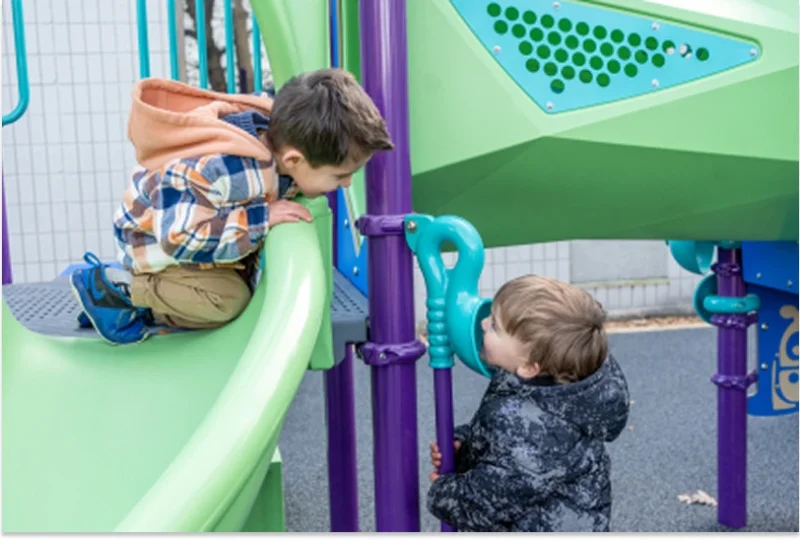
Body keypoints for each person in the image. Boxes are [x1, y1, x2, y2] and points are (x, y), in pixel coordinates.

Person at [71, 69, 393, 345]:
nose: (348, 183)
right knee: (227, 302)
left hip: (197, 234)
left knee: (240, 290)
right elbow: (179, 237)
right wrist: (260, 220)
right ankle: (117, 290)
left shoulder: (281, 142)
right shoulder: (226, 166)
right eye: (341, 175)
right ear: (294, 159)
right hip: (158, 248)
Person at [427, 275, 630, 532]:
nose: (483, 322)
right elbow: (505, 448)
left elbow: (488, 502)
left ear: (529, 366)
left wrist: (444, 490)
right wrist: (465, 445)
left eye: (496, 327)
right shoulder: (548, 387)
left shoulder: (538, 431)